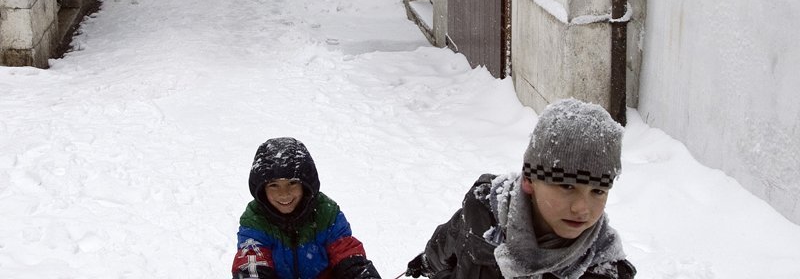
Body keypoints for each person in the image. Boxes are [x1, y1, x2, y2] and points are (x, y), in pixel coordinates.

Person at [405, 98, 636, 279]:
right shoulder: (484, 209)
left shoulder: (603, 271)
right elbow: (449, 239)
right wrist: (427, 262)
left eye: (598, 191)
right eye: (567, 186)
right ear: (529, 180)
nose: (582, 208)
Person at [232, 137, 381, 279]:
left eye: (292, 183)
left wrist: (361, 274)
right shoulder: (255, 219)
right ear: (262, 189)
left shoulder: (326, 213)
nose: (284, 194)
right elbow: (252, 264)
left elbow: (346, 254)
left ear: (305, 183)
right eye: (273, 185)